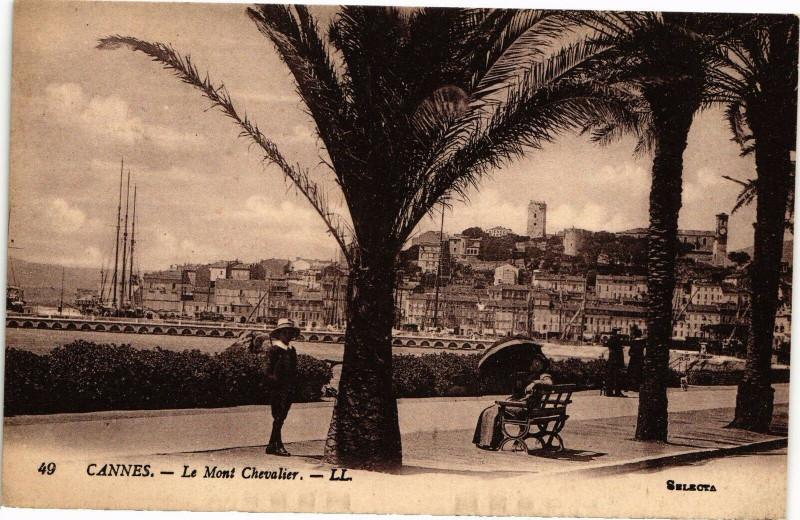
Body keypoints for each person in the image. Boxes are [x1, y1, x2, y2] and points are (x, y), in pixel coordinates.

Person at [473, 356, 552, 450]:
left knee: (494, 411)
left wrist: (534, 383)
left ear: (543, 365)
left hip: (525, 408)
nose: (537, 364)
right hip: (523, 406)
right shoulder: (526, 374)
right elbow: (519, 393)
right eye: (536, 361)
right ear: (532, 362)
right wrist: (519, 384)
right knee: (487, 411)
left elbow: (549, 382)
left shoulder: (543, 375)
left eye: (540, 362)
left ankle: (491, 443)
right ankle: (486, 441)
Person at [247, 318, 299, 456]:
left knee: (281, 417)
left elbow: (294, 370)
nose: (287, 335)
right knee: (278, 417)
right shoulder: (274, 350)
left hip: (288, 388)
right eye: (285, 332)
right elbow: (267, 370)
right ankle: (278, 445)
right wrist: (275, 382)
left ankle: (272, 445)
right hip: (277, 388)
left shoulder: (291, 350)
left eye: (290, 332)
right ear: (279, 334)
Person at [604, 328, 626, 397]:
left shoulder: (610, 340)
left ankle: (609, 392)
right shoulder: (617, 340)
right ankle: (617, 392)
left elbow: (608, 346)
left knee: (610, 376)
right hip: (617, 360)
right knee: (617, 376)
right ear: (616, 333)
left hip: (611, 360)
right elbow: (620, 352)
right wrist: (622, 362)